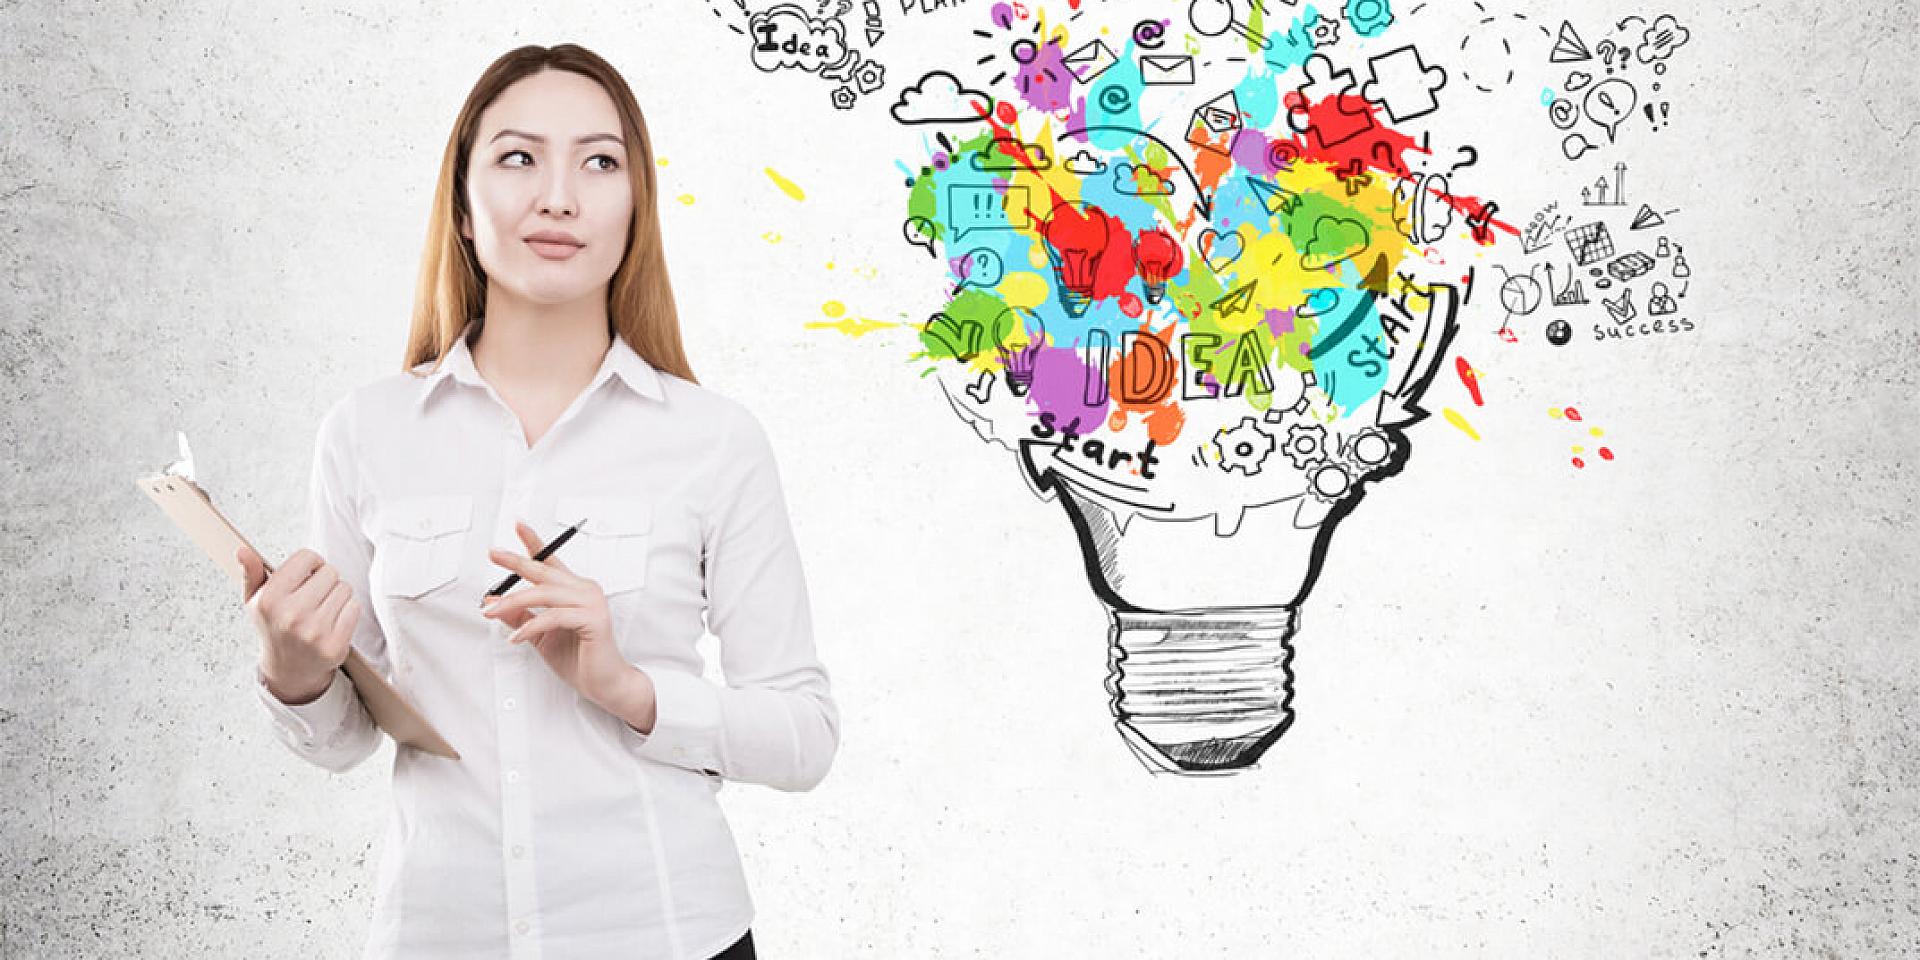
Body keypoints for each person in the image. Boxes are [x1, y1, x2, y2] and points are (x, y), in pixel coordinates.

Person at [235, 43, 837, 960]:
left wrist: (628, 688)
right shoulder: (365, 432)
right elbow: (345, 740)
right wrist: (295, 670)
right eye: (518, 157)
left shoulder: (714, 441)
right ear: (465, 209)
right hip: (440, 935)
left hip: (669, 934)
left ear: (636, 208)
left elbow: (805, 735)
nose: (559, 195)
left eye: (600, 162)